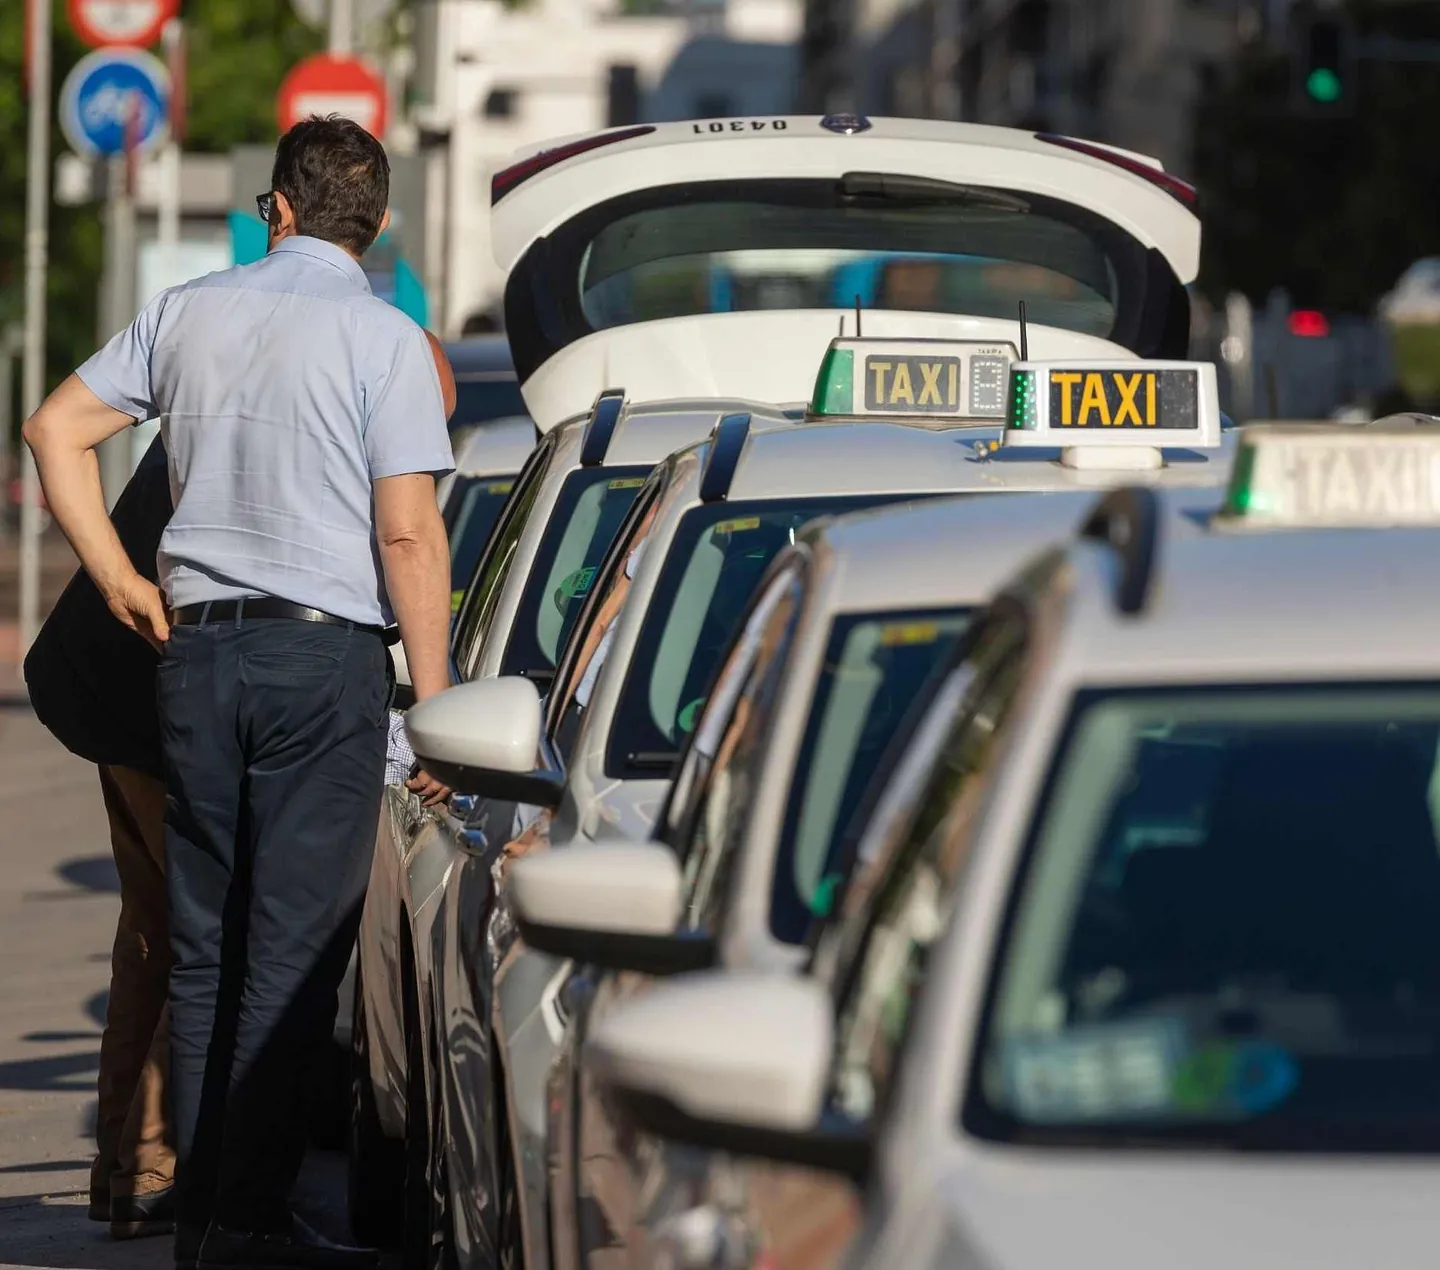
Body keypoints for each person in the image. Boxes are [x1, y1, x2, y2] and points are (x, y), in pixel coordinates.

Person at [24, 116, 455, 1270]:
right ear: (374, 225)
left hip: (197, 654)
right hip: (324, 661)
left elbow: (55, 428)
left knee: (207, 945)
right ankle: (252, 1221)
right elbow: (408, 536)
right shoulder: (387, 342)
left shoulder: (188, 313)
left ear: (278, 209)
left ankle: (209, 1217)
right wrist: (444, 699)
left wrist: (116, 577)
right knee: (295, 949)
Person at [25, 437, 176, 1241]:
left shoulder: (235, 366)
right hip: (144, 691)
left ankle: (122, 1174)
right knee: (205, 930)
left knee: (155, 930)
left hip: (108, 681)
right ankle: (151, 1165)